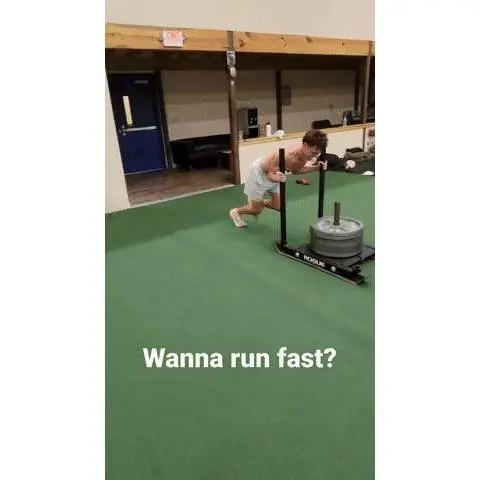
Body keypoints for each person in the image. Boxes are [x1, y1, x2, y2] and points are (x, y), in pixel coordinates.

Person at [229, 129, 329, 227]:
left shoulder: (303, 156)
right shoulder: (287, 155)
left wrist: (316, 168)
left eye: (317, 154)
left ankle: (258, 203)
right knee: (256, 210)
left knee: (278, 205)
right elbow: (269, 175)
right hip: (259, 173)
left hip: (275, 173)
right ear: (305, 145)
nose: (314, 157)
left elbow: (296, 170)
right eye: (313, 153)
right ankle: (236, 211)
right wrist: (278, 179)